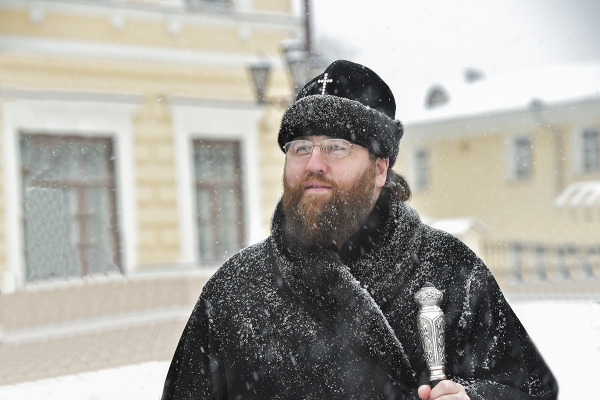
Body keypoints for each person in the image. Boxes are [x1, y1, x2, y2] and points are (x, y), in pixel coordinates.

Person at [162, 60, 558, 400]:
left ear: (380, 168)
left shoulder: (450, 270)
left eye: (336, 146)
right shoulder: (234, 291)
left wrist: (476, 397)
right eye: (301, 147)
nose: (314, 163)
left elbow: (531, 389)